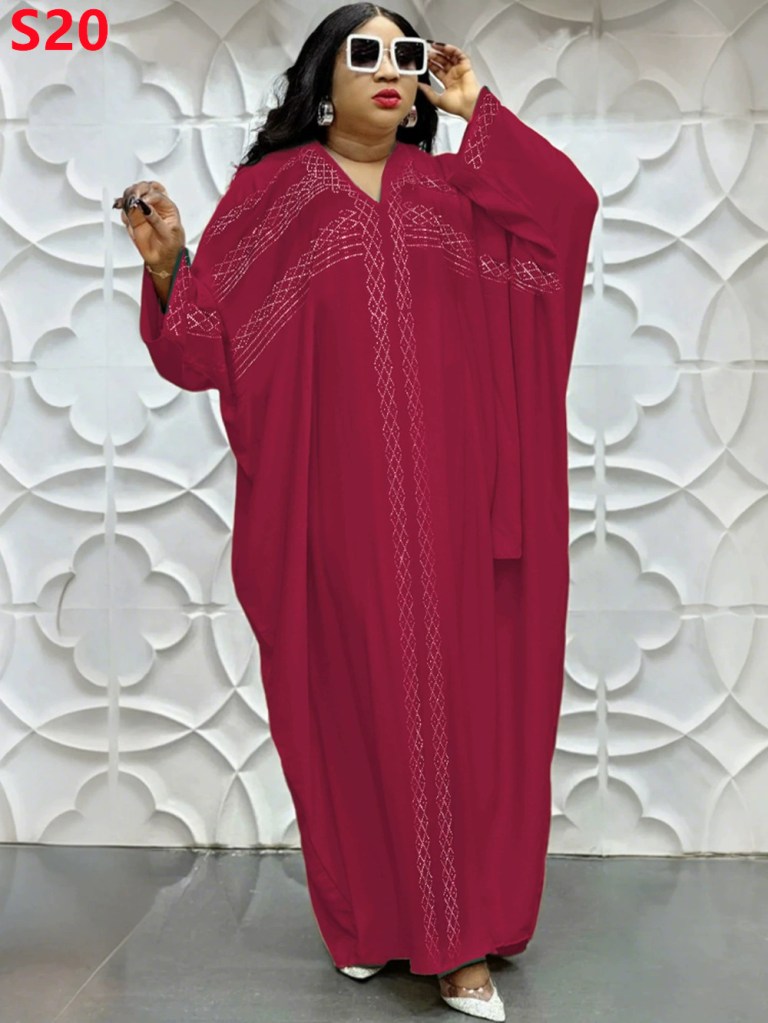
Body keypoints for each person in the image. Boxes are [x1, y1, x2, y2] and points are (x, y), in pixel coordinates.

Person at [114, 4, 598, 1020]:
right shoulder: (273, 196)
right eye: (364, 53)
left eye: (405, 55)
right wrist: (167, 270)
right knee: (351, 712)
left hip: (461, 509)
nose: (388, 69)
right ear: (322, 80)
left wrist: (477, 110)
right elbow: (205, 349)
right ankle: (374, 921)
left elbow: (564, 214)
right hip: (332, 510)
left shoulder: (454, 191)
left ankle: (459, 944)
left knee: (459, 713)